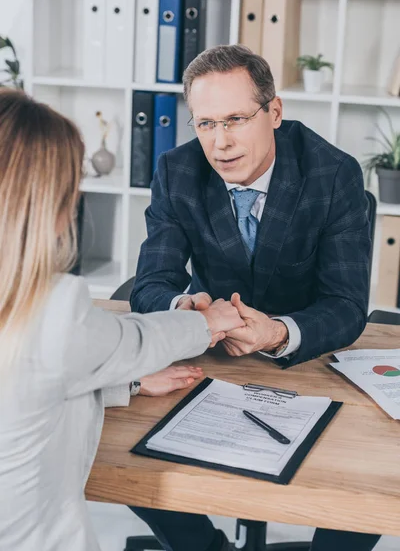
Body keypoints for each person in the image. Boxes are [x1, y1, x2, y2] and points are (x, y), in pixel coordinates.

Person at [128, 45, 380, 550]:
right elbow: (151, 282)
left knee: (372, 487)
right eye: (205, 124)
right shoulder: (177, 172)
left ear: (275, 112)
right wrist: (188, 310)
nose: (220, 143)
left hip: (312, 363)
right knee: (120, 448)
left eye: (236, 119)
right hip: (214, 358)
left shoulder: (333, 174)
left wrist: (278, 331)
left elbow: (347, 303)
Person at [0, 89, 244, 551]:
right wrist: (210, 320)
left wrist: (125, 383)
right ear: (49, 204)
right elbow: (135, 339)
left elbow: (26, 385)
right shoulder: (51, 308)